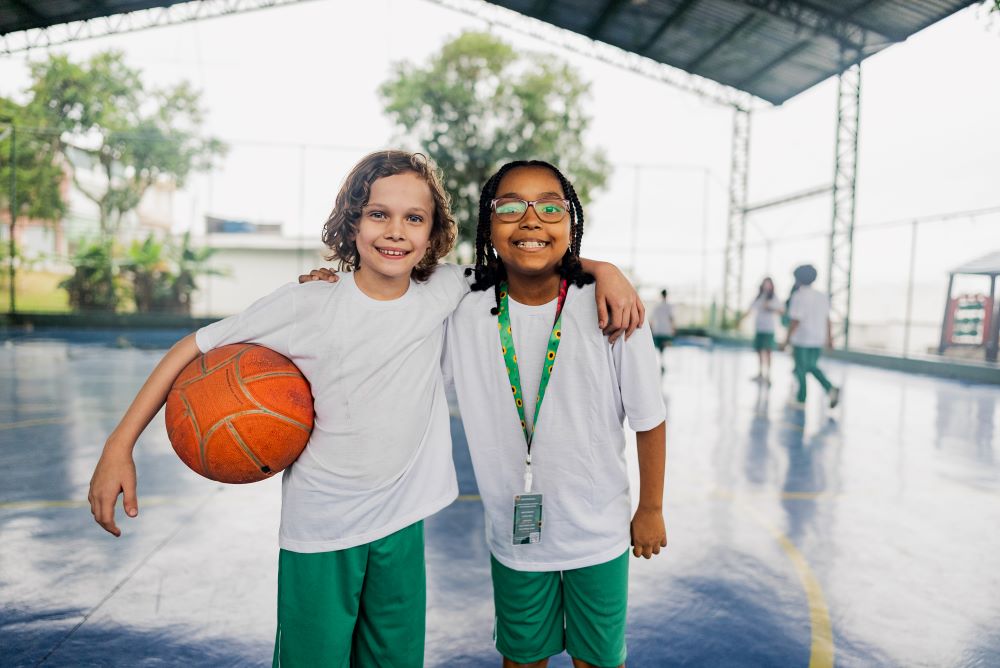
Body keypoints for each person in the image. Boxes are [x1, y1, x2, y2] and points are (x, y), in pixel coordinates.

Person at [88, 150, 643, 667]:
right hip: (322, 530)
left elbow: (532, 259)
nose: (396, 231)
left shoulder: (446, 290)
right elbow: (193, 348)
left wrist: (604, 269)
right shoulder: (308, 302)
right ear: (352, 222)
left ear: (435, 233)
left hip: (403, 526)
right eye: (379, 214)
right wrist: (119, 446)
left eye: (414, 218)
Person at [446, 160, 667, 668]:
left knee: (599, 661)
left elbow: (648, 417)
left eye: (549, 207)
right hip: (514, 533)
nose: (530, 220)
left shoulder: (612, 307)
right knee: (523, 659)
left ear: (571, 222)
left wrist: (650, 507)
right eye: (510, 207)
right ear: (488, 224)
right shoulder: (464, 306)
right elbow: (398, 276)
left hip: (599, 531)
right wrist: (332, 278)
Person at [781, 264, 840, 409]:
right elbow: (827, 319)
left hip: (802, 338)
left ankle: (802, 399)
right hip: (817, 338)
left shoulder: (799, 296)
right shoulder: (822, 296)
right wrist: (830, 338)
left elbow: (795, 321)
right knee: (811, 366)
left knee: (801, 368)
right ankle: (829, 389)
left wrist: (786, 339)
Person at [738, 277, 782, 384]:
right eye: (765, 284)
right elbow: (750, 309)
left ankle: (768, 375)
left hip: (769, 329)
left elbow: (781, 311)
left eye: (768, 284)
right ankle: (760, 373)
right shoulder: (759, 298)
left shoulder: (774, 298)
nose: (766, 286)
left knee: (768, 352)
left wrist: (770, 308)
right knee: (759, 351)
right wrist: (740, 321)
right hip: (759, 328)